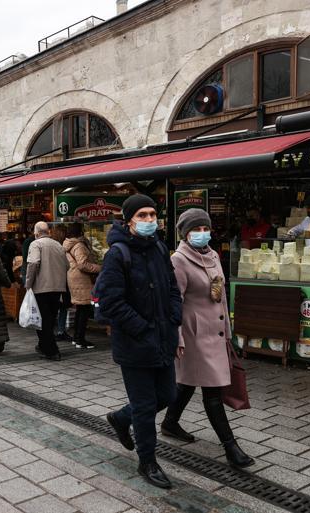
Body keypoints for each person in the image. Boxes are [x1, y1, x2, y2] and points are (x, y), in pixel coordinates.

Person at [95, 194, 182, 489]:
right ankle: (148, 461)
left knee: (168, 395)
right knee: (145, 406)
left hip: (163, 338)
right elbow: (109, 302)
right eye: (142, 215)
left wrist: (174, 316)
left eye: (152, 214)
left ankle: (121, 417)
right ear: (128, 219)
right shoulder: (118, 254)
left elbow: (172, 286)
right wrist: (142, 328)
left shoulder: (159, 247)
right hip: (135, 344)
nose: (148, 220)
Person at [162, 209, 254, 468]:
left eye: (205, 229)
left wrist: (230, 331)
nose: (202, 234)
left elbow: (221, 295)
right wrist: (176, 337)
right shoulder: (178, 260)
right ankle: (231, 447)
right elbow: (174, 302)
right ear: (185, 233)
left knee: (187, 384)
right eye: (196, 230)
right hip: (194, 335)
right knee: (212, 391)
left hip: (216, 332)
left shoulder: (213, 255)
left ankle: (170, 423)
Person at [24, 221, 69, 361]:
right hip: (57, 288)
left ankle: (51, 350)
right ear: (48, 231)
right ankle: (44, 346)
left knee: (42, 320)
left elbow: (33, 263)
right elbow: (67, 265)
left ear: (36, 233)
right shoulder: (58, 245)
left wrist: (28, 284)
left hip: (41, 287)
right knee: (50, 318)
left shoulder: (36, 244)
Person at [63, 223, 101, 349]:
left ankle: (77, 337)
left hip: (74, 278)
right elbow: (82, 264)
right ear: (80, 232)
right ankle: (80, 339)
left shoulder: (68, 244)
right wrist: (99, 268)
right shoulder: (78, 245)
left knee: (81, 308)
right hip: (82, 280)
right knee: (84, 309)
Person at [51, 224, 72, 343]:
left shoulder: (51, 245)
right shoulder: (61, 247)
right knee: (63, 306)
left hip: (52, 280)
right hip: (62, 280)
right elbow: (66, 265)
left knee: (55, 307)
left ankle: (55, 330)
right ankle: (60, 330)